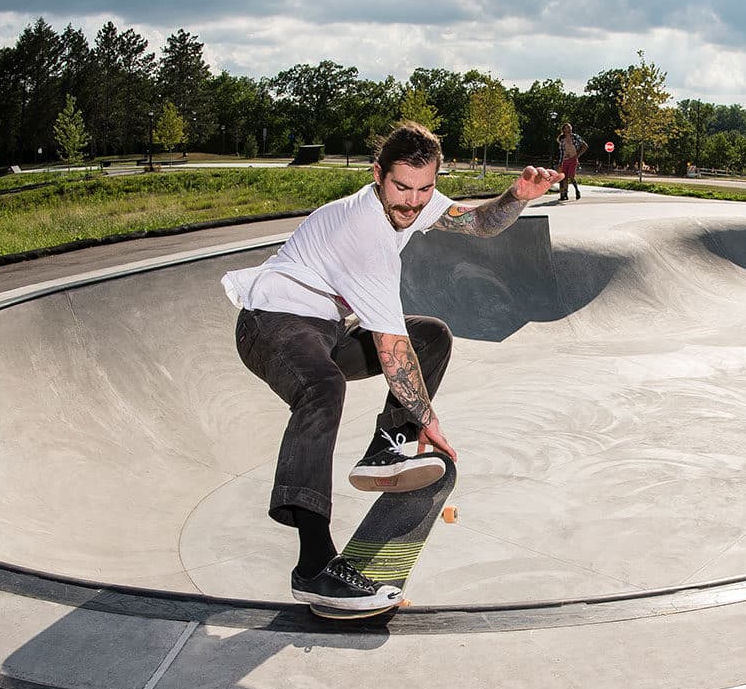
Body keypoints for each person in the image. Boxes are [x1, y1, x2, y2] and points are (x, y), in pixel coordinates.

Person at [222, 122, 558, 612]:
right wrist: (428, 419)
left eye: (425, 189)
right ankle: (314, 566)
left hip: (327, 329)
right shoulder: (364, 232)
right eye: (401, 188)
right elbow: (390, 344)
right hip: (270, 322)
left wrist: (517, 195)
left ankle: (387, 447)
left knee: (433, 335)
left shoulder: (415, 203)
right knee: (322, 387)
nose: (412, 203)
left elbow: (477, 223)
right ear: (378, 175)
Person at [556, 122, 587, 202]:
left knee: (571, 176)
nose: (568, 129)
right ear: (563, 129)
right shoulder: (561, 139)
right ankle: (564, 194)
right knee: (564, 177)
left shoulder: (576, 137)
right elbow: (562, 152)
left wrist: (577, 156)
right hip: (564, 160)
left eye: (569, 127)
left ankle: (577, 190)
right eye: (566, 128)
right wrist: (560, 162)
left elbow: (585, 146)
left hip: (573, 159)